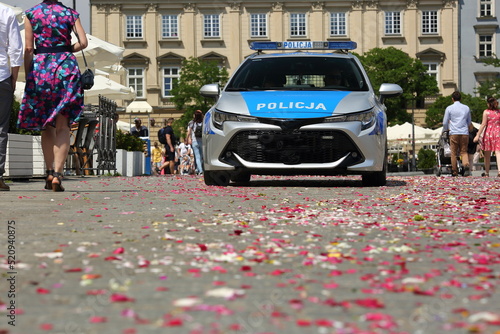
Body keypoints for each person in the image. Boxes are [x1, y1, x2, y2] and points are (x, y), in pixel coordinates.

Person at [18, 0, 88, 192]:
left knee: (46, 125)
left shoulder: (31, 14)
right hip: (66, 67)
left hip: (41, 70)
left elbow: (28, 49)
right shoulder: (70, 14)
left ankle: (49, 173)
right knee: (63, 125)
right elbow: (83, 42)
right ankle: (58, 174)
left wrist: (29, 73)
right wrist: (64, 50)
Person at [0, 4, 23, 191]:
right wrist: (14, 77)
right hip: (1, 76)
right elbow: (16, 49)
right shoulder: (6, 11)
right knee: (0, 128)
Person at [442, 91, 472, 177]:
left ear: (452, 99)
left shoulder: (449, 108)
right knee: (464, 151)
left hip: (454, 132)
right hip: (464, 133)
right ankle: (466, 165)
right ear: (461, 98)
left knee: (453, 153)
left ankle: (454, 171)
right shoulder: (466, 108)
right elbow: (469, 121)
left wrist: (446, 129)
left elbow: (445, 122)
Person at [474, 97, 500, 177]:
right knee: (498, 152)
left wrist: (477, 135)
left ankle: (487, 172)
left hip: (488, 133)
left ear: (488, 104)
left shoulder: (486, 112)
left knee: (487, 154)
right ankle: (499, 171)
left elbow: (483, 124)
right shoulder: (499, 112)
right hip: (498, 133)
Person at [187, 110, 204, 174]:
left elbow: (189, 132)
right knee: (201, 157)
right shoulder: (204, 122)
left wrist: (187, 138)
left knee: (197, 157)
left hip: (194, 141)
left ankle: (200, 170)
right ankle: (200, 169)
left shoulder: (192, 123)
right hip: (202, 141)